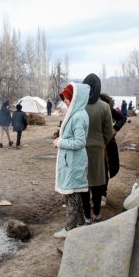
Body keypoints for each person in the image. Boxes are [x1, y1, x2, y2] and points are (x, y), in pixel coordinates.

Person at [53, 82, 90, 238]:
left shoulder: (79, 116)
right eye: (65, 98)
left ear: (75, 98)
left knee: (71, 197)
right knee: (73, 195)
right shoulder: (75, 114)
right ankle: (80, 224)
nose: (65, 101)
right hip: (71, 161)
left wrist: (60, 142)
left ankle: (69, 229)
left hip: (74, 162)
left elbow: (80, 142)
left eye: (67, 98)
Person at [81, 74, 113, 223]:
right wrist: (102, 142)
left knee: (84, 183)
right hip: (98, 149)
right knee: (98, 183)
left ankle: (87, 216)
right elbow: (109, 132)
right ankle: (97, 214)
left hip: (80, 150)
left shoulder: (79, 106)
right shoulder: (105, 107)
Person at [99, 93, 127, 206]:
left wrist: (115, 129)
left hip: (106, 144)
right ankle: (94, 192)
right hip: (93, 143)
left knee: (105, 168)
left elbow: (122, 118)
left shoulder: (108, 108)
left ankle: (103, 194)